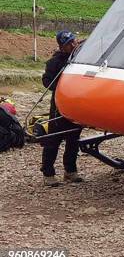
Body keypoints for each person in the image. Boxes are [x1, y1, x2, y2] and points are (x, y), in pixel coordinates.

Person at [40, 30, 83, 187]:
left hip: (76, 104)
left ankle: (70, 171)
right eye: (69, 44)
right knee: (53, 140)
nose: (73, 45)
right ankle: (48, 174)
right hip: (59, 105)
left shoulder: (80, 58)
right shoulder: (54, 62)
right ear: (61, 47)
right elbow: (46, 82)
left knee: (73, 139)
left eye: (73, 41)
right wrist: (62, 85)